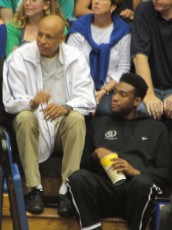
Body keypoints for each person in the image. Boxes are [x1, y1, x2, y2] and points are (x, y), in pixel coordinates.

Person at [3, 15, 96, 215]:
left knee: (77, 119)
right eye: (40, 35)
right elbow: (9, 102)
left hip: (62, 124)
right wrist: (32, 102)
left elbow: (88, 99)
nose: (42, 41)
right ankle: (34, 190)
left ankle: (67, 191)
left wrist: (66, 107)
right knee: (23, 117)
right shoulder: (18, 57)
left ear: (61, 39)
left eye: (49, 37)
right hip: (34, 120)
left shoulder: (76, 57)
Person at [67, 73, 172, 230]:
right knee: (77, 178)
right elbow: (83, 166)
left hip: (134, 194)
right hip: (102, 191)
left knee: (143, 183)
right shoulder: (97, 124)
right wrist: (95, 155)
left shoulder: (157, 129)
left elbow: (166, 173)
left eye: (122, 94)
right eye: (114, 92)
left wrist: (135, 171)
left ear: (137, 101)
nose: (115, 98)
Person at [67, 0, 131, 116]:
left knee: (107, 110)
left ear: (113, 6)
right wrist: (87, 92)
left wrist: (104, 91)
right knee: (75, 109)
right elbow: (71, 65)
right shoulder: (79, 28)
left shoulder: (123, 31)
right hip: (78, 87)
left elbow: (123, 68)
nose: (96, 2)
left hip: (110, 89)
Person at [131, 1, 172, 125]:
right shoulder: (144, 10)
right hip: (150, 86)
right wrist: (148, 94)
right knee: (143, 109)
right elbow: (140, 56)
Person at [74, 0, 141, 21]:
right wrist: (103, 16)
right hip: (94, 27)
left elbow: (139, 18)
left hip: (122, 32)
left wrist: (131, 15)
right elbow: (79, 10)